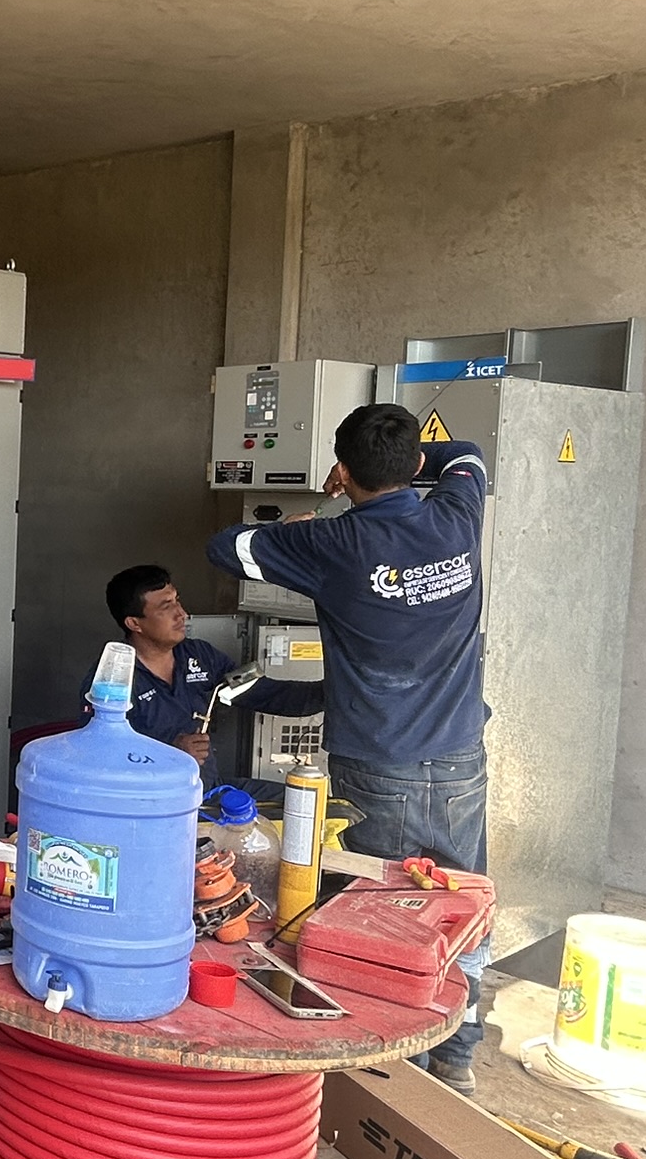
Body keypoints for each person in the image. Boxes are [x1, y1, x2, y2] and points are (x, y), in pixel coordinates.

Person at [206, 403, 489, 1094]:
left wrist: (300, 525)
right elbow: (467, 452)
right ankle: (459, 1048)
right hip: (459, 753)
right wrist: (412, 461)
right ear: (416, 464)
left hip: (378, 758)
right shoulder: (457, 514)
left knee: (385, 915)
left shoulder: (332, 543)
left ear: (342, 469)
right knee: (460, 898)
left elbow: (227, 547)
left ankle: (401, 1071)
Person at [103, 565, 324, 803]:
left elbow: (269, 695)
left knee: (305, 800)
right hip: (152, 803)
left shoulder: (199, 656)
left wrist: (337, 692)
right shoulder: (112, 678)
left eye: (177, 601)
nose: (182, 614)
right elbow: (101, 757)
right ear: (134, 623)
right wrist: (168, 752)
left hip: (209, 791)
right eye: (166, 607)